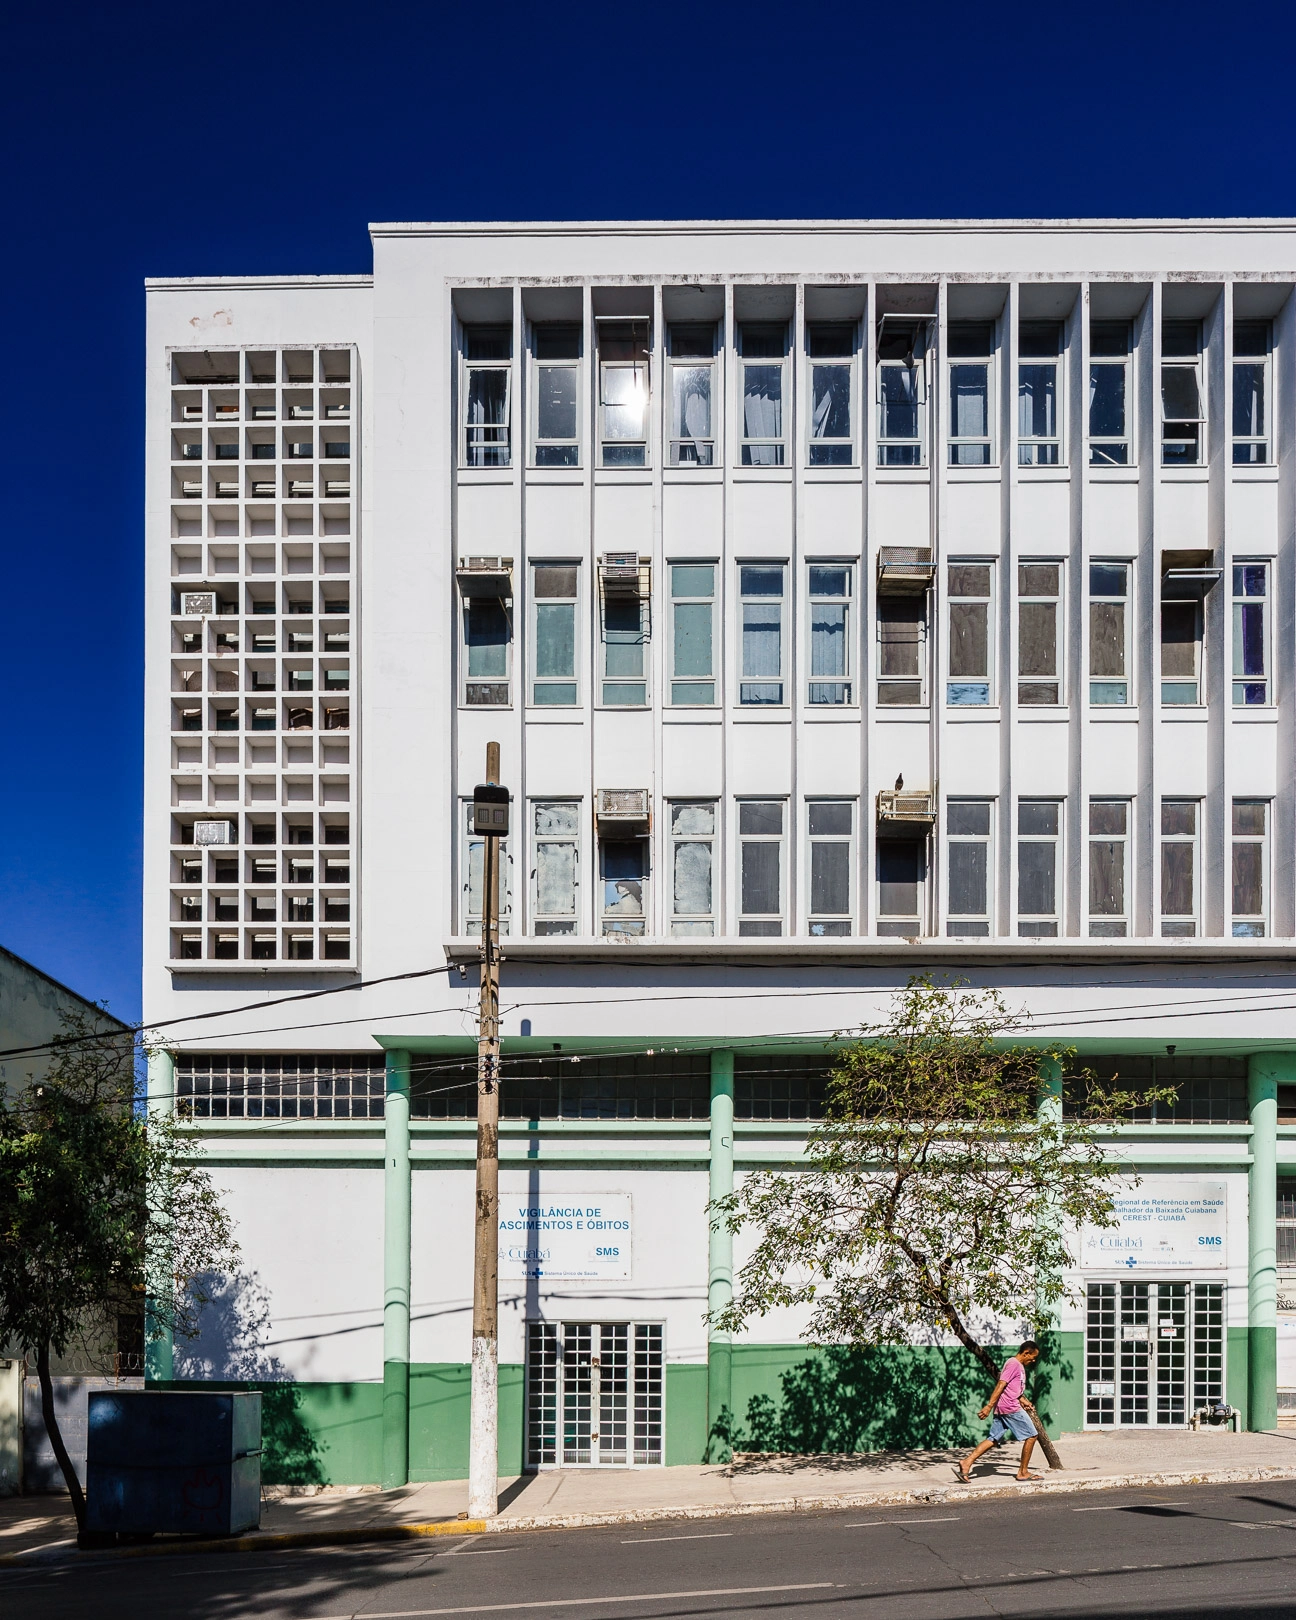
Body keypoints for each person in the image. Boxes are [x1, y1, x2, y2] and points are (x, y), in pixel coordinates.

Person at [956, 1340, 1042, 1483]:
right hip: (1010, 1408)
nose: (1033, 1360)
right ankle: (1023, 1472)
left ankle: (966, 1462)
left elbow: (1011, 1388)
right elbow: (1001, 1384)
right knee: (1032, 1435)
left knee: (993, 1439)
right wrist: (989, 1406)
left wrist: (1023, 1400)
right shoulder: (1013, 1364)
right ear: (1026, 1353)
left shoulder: (1017, 1365)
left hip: (1005, 1407)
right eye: (1032, 1357)